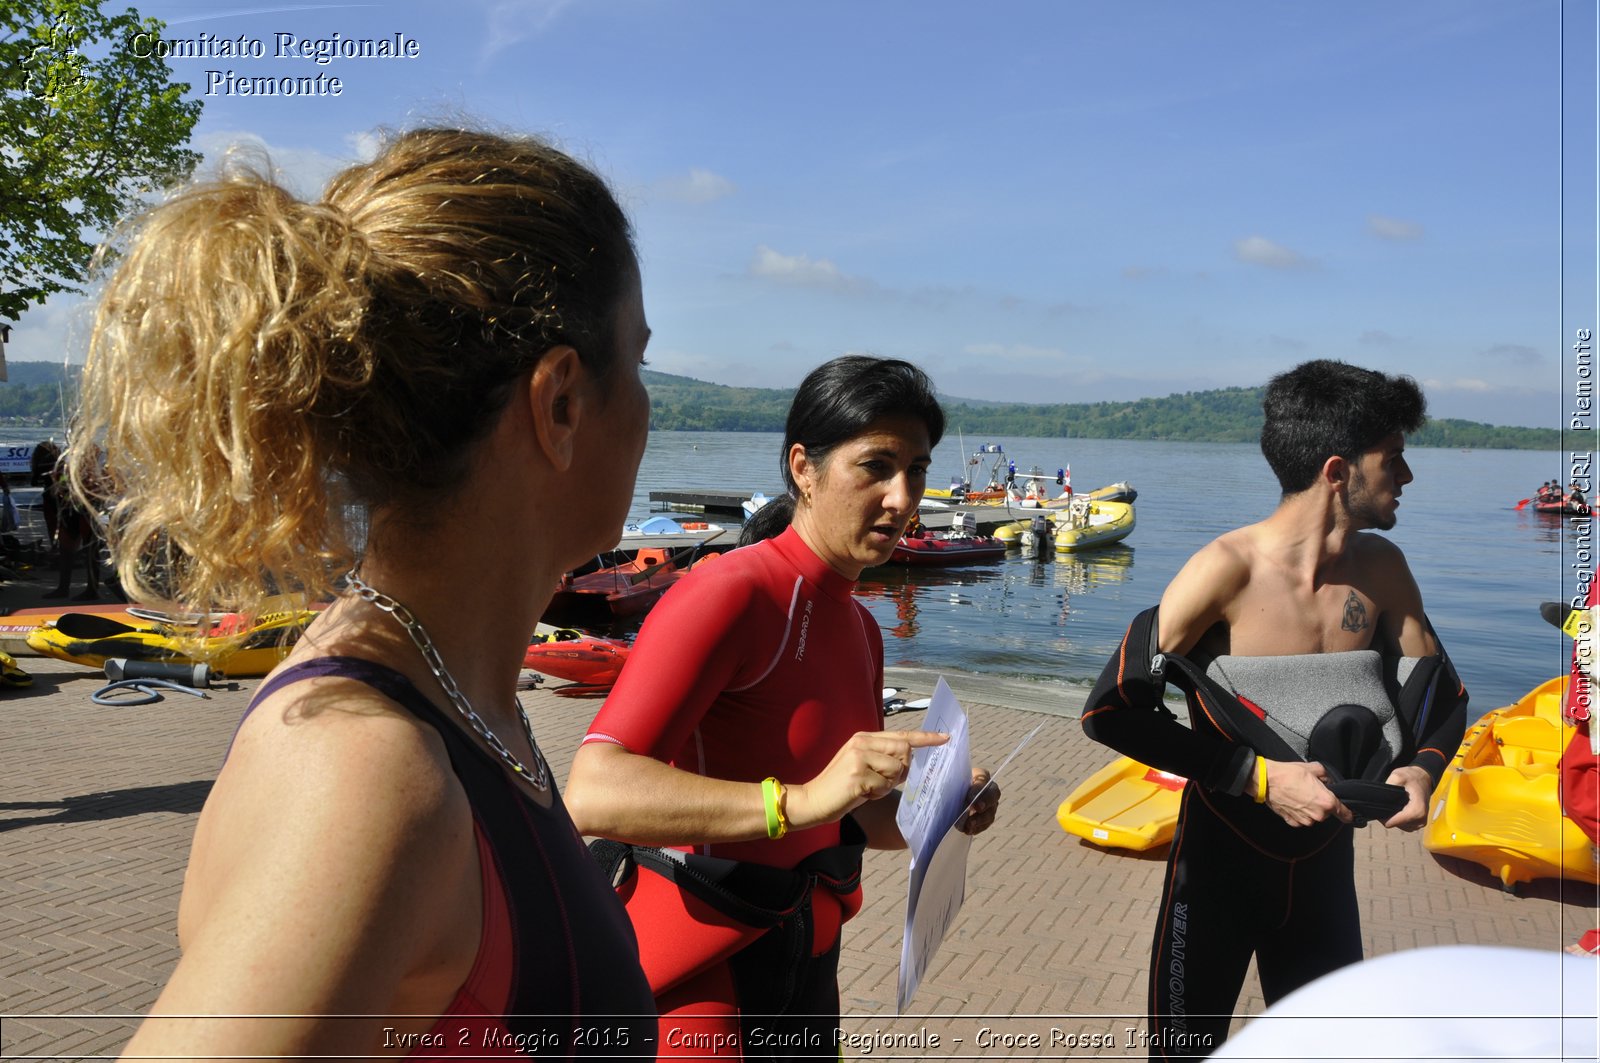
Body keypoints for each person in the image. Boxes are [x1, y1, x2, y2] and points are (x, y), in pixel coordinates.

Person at [66, 127, 655, 1056]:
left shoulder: (449, 697)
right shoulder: (370, 772)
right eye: (642, 362)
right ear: (562, 404)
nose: (650, 409)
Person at [566, 356, 1001, 1059]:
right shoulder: (730, 594)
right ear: (804, 466)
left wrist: (938, 811)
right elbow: (592, 789)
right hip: (707, 976)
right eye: (876, 467)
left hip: (806, 969)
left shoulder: (859, 626)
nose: (902, 498)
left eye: (916, 469)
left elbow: (848, 812)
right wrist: (798, 800)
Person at [1081, 359, 1467, 1060]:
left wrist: (1420, 771)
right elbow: (1111, 710)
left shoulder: (1382, 570)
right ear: (1337, 470)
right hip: (1217, 874)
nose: (1406, 476)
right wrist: (1256, 776)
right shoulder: (1225, 569)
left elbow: (1444, 695)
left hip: (1323, 880)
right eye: (1394, 459)